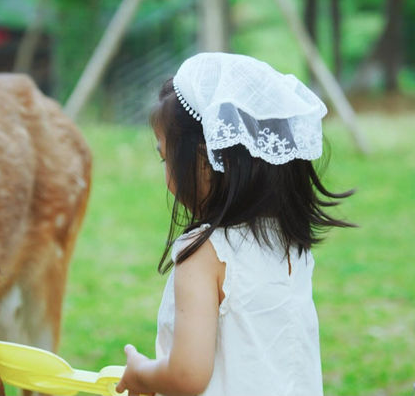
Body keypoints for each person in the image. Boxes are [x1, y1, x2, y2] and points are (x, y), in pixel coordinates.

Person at [116, 52, 354, 396]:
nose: (166, 173)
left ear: (206, 161)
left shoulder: (205, 254)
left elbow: (186, 375)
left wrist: (142, 373)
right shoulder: (288, 241)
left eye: (166, 157)